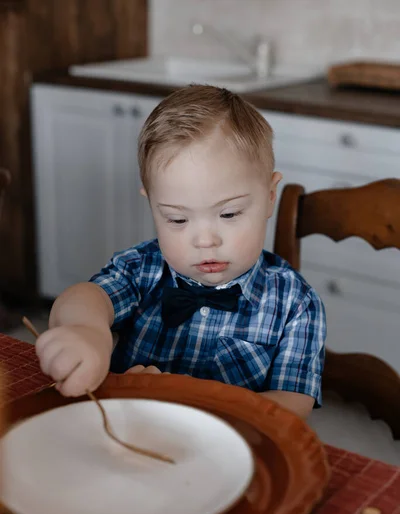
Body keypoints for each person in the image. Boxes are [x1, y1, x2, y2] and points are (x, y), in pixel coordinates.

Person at [36, 85, 326, 419]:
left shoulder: (296, 303)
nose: (205, 240)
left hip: (230, 455)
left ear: (270, 196)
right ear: (153, 207)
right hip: (128, 434)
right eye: (177, 218)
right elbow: (86, 298)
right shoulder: (141, 269)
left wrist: (196, 402)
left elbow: (292, 405)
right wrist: (85, 330)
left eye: (229, 214)